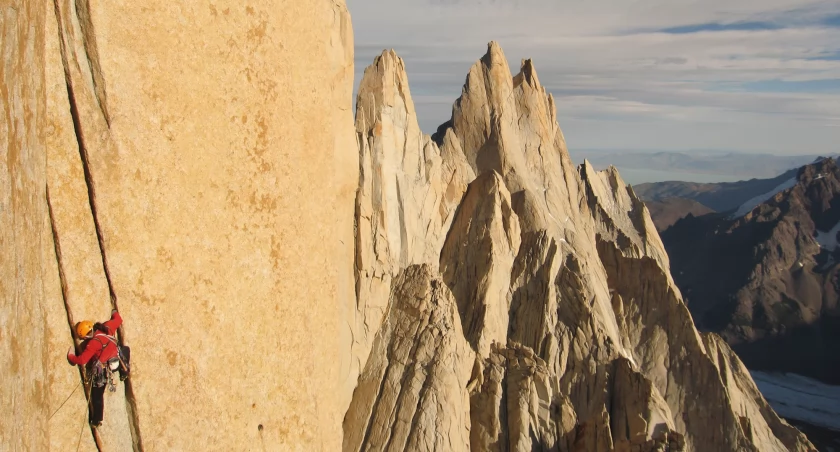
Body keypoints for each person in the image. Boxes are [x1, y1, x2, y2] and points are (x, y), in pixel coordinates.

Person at [67, 309, 125, 428]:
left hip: (103, 370)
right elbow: (118, 320)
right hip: (117, 361)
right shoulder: (107, 327)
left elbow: (82, 360)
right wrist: (114, 312)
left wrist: (71, 356)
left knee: (97, 395)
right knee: (126, 350)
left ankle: (96, 420)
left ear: (85, 336)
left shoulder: (93, 343)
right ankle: (124, 372)